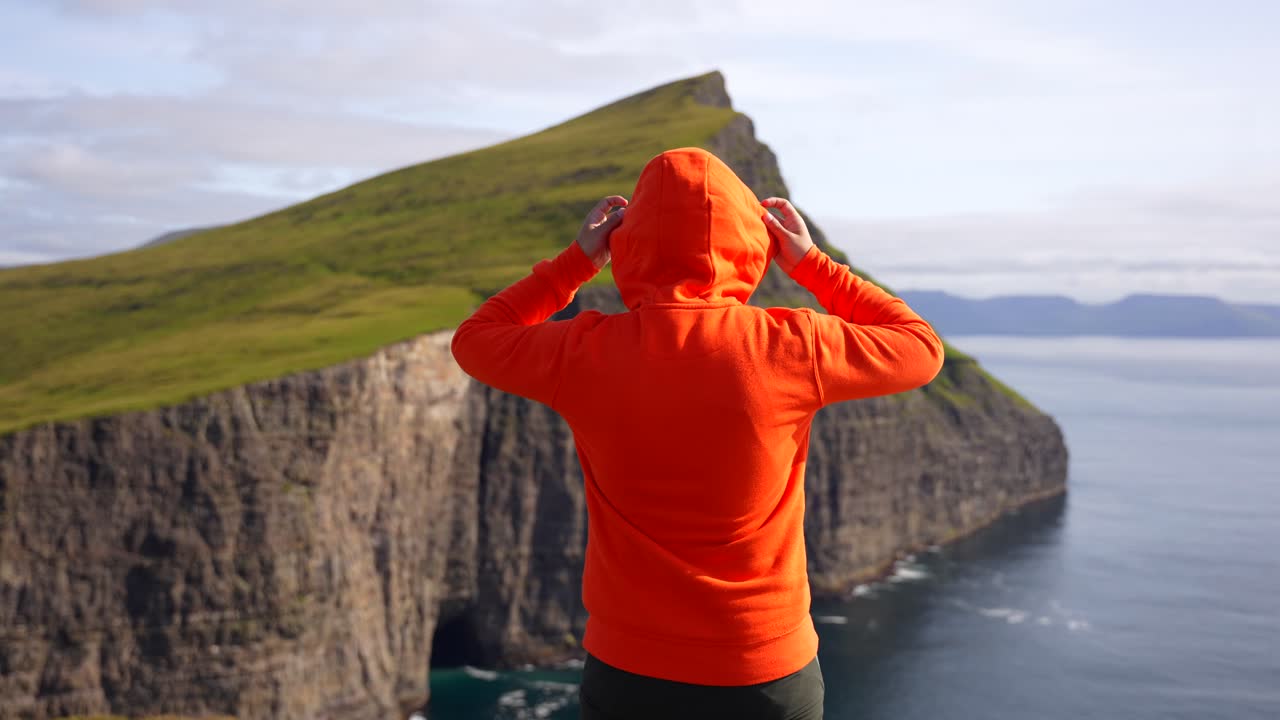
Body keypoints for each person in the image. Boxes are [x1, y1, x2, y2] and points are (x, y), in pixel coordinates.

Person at [450, 147, 945, 719]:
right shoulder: (792, 346)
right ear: (749, 243)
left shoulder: (583, 352)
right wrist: (812, 265)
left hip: (630, 670)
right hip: (763, 670)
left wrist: (577, 262)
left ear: (628, 245)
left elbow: (477, 339)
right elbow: (921, 349)